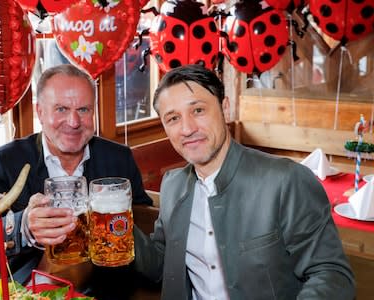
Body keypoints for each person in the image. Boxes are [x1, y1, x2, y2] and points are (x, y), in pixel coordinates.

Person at [132, 64, 355, 300]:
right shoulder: (172, 185)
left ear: (225, 108)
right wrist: (113, 222)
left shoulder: (286, 180)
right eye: (173, 118)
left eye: (198, 110)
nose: (187, 128)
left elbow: (332, 274)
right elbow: (161, 265)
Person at [0, 64, 152, 297]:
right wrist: (24, 226)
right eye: (61, 109)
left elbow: (143, 221)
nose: (74, 121)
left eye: (83, 109)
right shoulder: (2, 163)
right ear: (39, 112)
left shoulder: (118, 159)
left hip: (106, 291)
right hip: (28, 292)